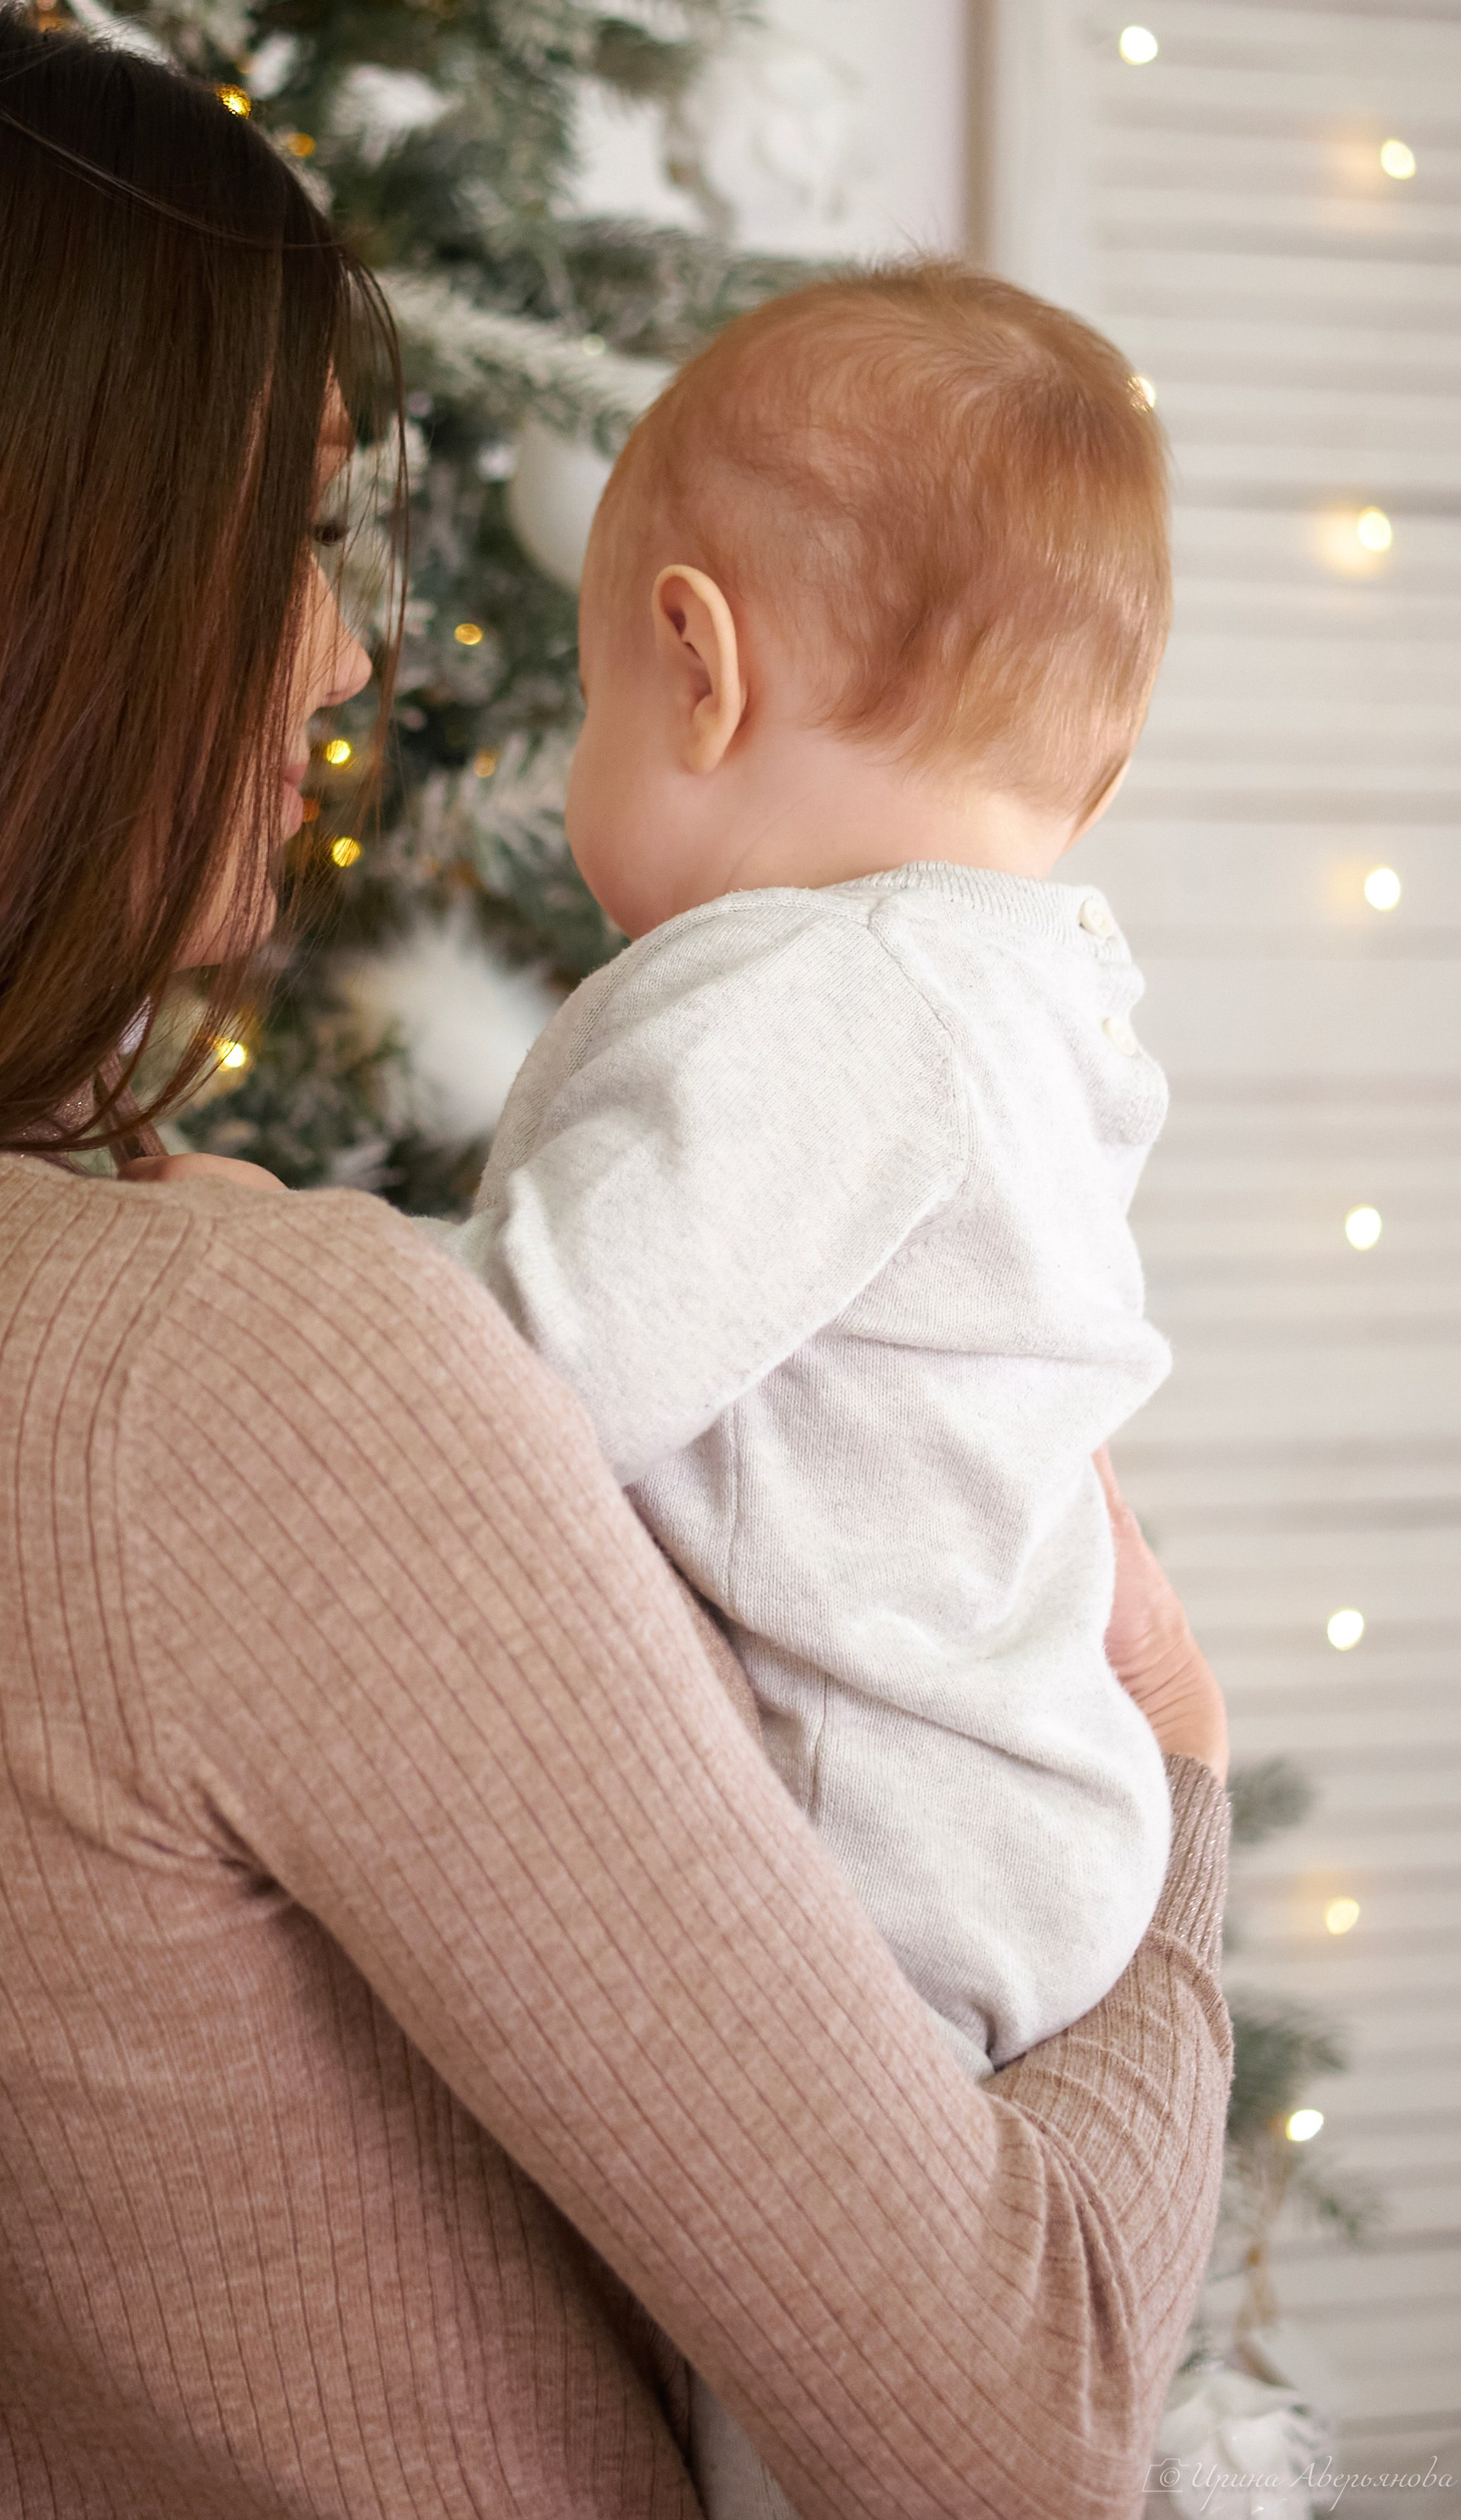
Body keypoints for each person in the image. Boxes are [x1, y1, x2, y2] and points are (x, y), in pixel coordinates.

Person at [0, 0, 1229, 2520]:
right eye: (279, 529)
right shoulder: (220, 1376)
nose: (337, 659)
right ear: (5, 597)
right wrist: (1174, 1793)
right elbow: (1030, 2420)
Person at [405, 265, 1181, 2517]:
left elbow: (536, 1366)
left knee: (822, 2400)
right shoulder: (1005, 989)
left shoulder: (846, 1003)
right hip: (1005, 1785)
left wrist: (307, 1266)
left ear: (696, 662)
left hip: (882, 1837)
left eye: (579, 701)